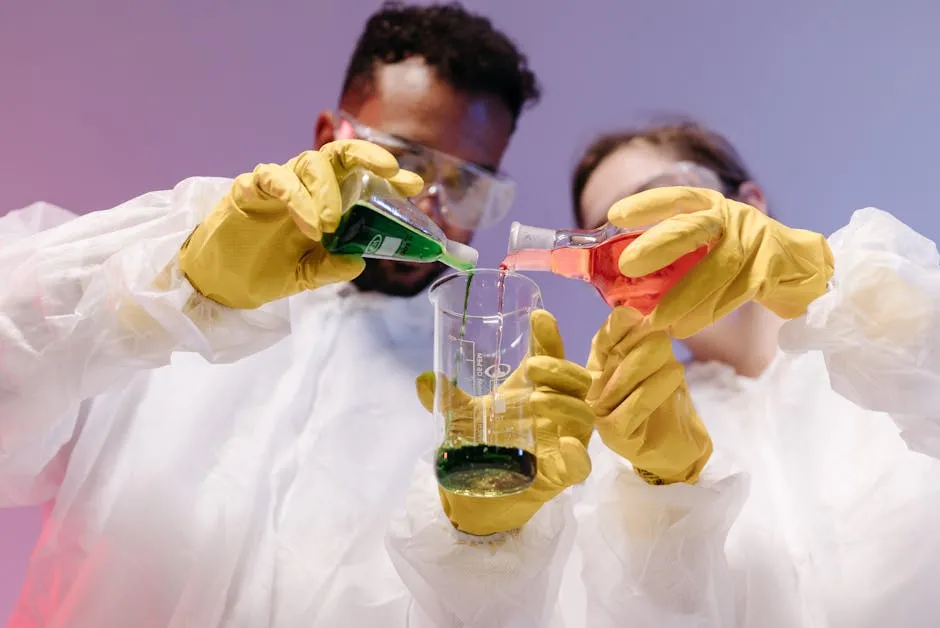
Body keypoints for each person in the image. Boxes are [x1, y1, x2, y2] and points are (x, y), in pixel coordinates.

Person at [0, 4, 589, 627]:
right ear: (330, 138)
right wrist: (173, 282)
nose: (434, 209)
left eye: (467, 186)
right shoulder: (172, 299)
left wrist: (488, 545)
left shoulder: (470, 403)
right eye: (408, 167)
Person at [560, 121, 940, 627]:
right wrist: (667, 500)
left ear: (750, 202)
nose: (638, 251)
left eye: (656, 205)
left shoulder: (888, 326)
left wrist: (825, 286)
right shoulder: (635, 442)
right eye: (606, 246)